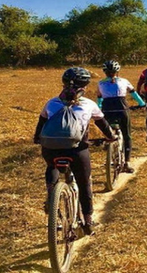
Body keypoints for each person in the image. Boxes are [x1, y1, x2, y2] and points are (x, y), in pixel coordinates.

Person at [34, 67, 116, 235]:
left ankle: (52, 193)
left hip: (50, 150)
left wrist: (37, 139)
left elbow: (41, 123)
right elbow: (102, 124)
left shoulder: (51, 103)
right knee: (84, 181)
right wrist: (111, 137)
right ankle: (87, 221)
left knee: (52, 166)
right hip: (77, 151)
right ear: (84, 87)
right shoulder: (89, 105)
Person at [97, 60, 146, 173]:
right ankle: (127, 163)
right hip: (122, 109)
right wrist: (141, 104)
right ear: (117, 71)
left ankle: (109, 148)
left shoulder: (100, 83)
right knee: (127, 135)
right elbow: (134, 93)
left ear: (105, 72)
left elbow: (99, 98)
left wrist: (98, 108)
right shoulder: (124, 81)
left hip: (107, 110)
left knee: (108, 133)